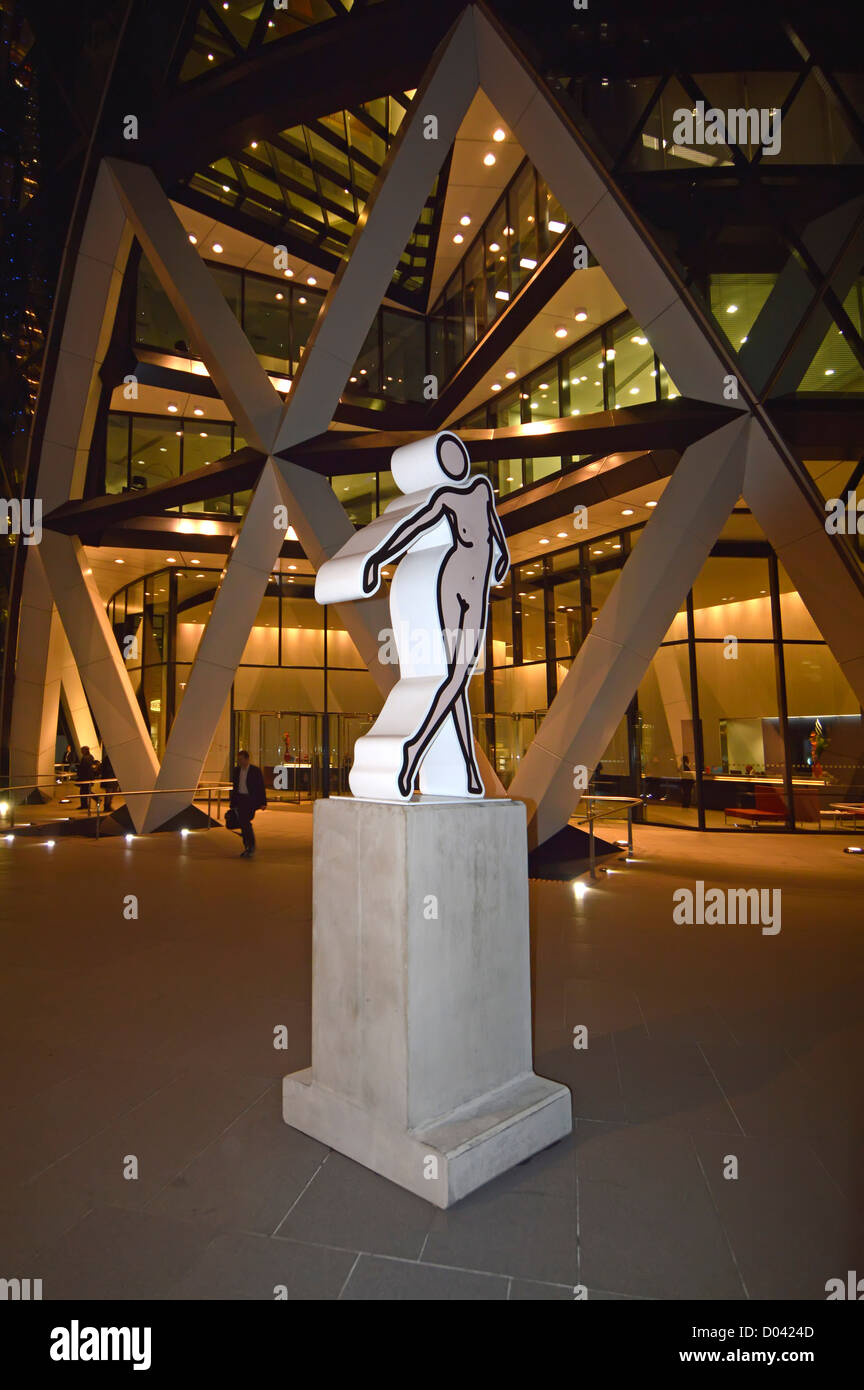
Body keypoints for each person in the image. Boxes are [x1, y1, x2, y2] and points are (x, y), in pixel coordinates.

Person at [230, 749, 267, 857]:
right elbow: (235, 787)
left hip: (250, 800)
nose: (240, 762)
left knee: (245, 822)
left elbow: (261, 787)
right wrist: (233, 803)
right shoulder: (237, 771)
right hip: (240, 799)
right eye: (238, 760)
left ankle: (250, 845)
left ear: (247, 759)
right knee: (244, 823)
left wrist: (263, 802)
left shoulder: (255, 771)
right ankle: (248, 845)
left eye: (241, 759)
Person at [76, 745, 99, 812]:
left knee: (84, 791)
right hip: (88, 777)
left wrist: (79, 773)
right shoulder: (90, 757)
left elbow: (84, 768)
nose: (81, 752)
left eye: (82, 750)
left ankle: (94, 799)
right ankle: (85, 805)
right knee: (85, 791)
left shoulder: (86, 758)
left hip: (85, 778)